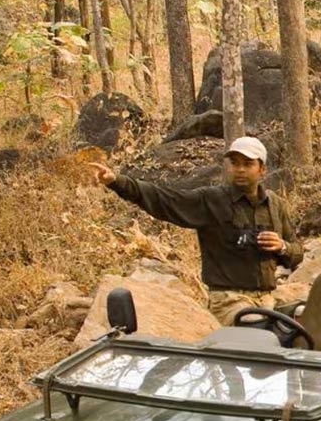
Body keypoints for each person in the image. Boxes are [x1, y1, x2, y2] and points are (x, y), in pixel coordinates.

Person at [89, 136, 303, 325]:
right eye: (234, 163)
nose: (240, 169)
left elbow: (296, 254)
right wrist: (117, 182)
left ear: (261, 169)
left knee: (308, 319)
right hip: (229, 301)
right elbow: (165, 200)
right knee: (255, 330)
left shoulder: (275, 205)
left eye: (247, 164)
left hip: (268, 298)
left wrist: (282, 246)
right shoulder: (212, 199)